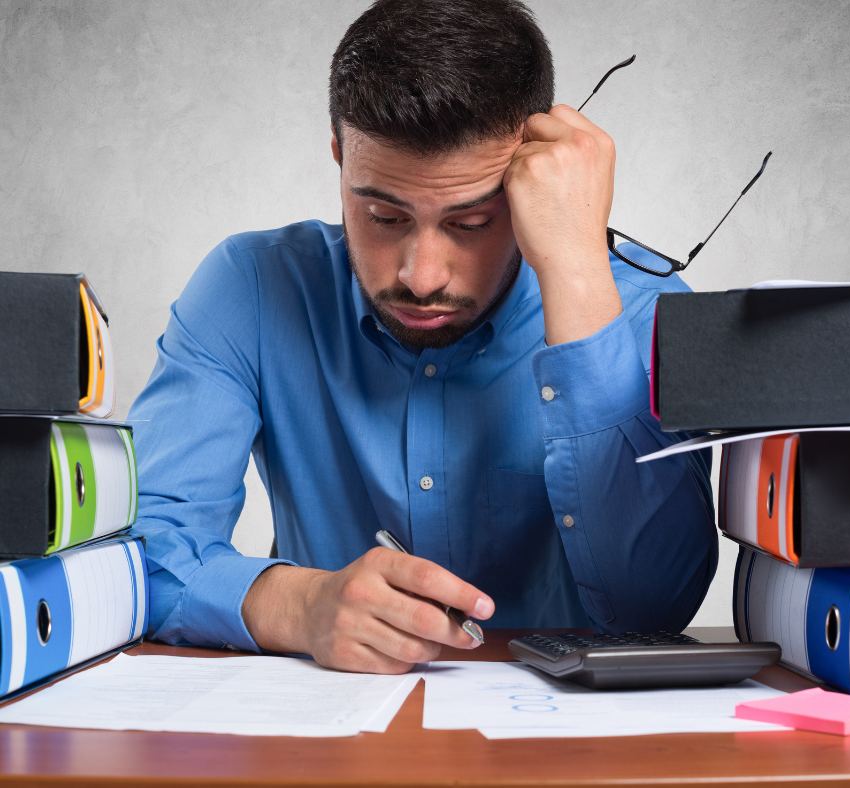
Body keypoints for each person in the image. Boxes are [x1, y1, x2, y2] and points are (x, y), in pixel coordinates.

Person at [129, 0, 717, 674]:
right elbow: (135, 552)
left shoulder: (639, 313)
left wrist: (577, 269)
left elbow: (653, 609)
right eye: (383, 216)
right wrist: (302, 605)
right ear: (338, 157)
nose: (422, 276)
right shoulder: (252, 289)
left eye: (471, 223)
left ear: (533, 179)